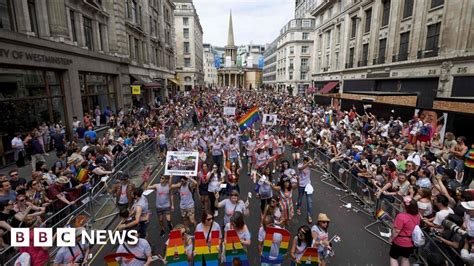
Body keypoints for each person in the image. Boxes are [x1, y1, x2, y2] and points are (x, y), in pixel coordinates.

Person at [389, 197, 420, 266]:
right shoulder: (418, 216)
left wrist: (391, 238)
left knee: (393, 258)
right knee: (405, 258)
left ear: (404, 205)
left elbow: (396, 231)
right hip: (411, 242)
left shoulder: (401, 216)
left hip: (400, 241)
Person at [296, 157, 314, 224]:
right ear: (303, 161)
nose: (306, 162)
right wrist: (309, 162)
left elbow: (314, 167)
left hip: (308, 185)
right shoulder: (300, 165)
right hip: (301, 185)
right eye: (305, 161)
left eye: (307, 161)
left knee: (309, 201)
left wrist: (312, 161)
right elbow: (301, 168)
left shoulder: (309, 166)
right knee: (300, 198)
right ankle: (298, 207)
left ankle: (309, 215)